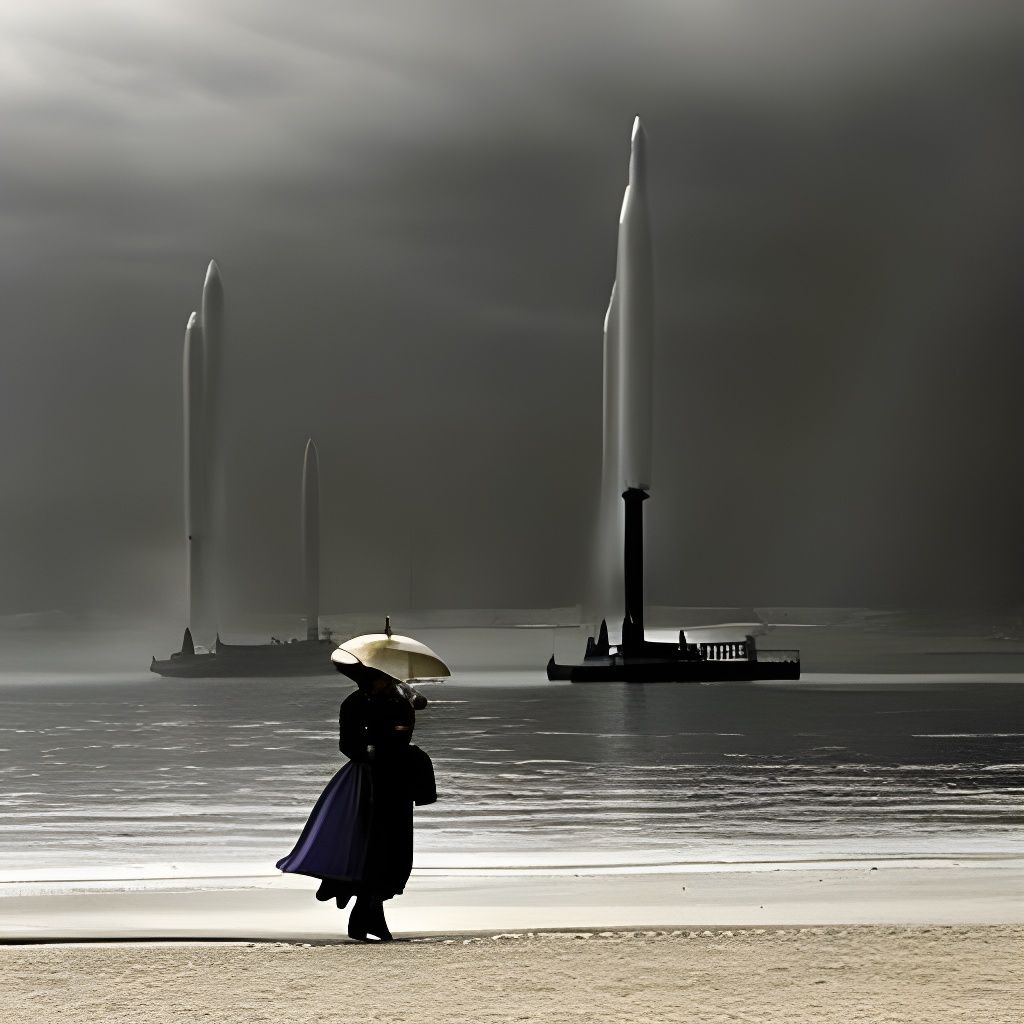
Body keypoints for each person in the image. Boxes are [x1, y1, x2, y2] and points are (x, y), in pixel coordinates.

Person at [276, 667, 432, 942]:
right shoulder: (355, 703)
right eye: (378, 678)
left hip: (396, 778)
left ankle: (368, 918)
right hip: (371, 779)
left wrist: (405, 699)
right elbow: (347, 744)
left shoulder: (400, 697)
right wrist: (372, 749)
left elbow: (414, 715)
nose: (383, 682)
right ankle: (367, 918)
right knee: (376, 848)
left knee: (393, 849)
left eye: (385, 677)